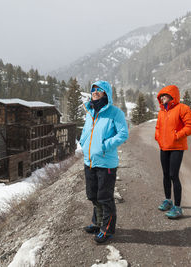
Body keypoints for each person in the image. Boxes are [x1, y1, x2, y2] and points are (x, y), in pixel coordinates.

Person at [79, 80, 129, 243]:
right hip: (90, 161)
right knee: (92, 194)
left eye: (99, 90)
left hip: (106, 163)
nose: (95, 92)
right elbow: (87, 132)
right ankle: (97, 221)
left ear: (106, 93)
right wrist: (83, 143)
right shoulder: (90, 111)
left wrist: (103, 146)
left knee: (105, 197)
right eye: (93, 89)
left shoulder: (115, 113)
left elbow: (123, 134)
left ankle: (107, 230)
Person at [155, 85, 191, 219]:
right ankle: (168, 200)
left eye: (165, 95)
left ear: (173, 96)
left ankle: (178, 208)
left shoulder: (182, 108)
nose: (162, 98)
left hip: (177, 148)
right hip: (164, 147)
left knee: (174, 175)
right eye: (161, 96)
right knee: (165, 174)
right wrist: (158, 138)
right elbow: (158, 127)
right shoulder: (162, 112)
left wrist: (177, 136)